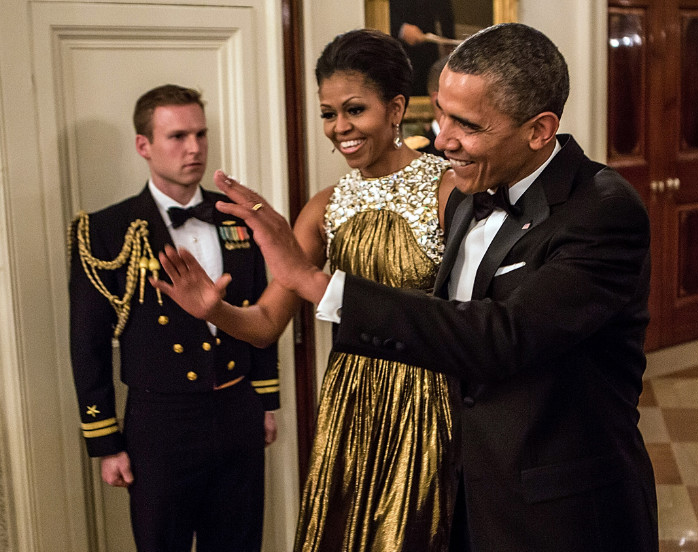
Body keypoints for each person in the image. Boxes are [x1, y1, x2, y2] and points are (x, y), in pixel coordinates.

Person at [161, 22, 660, 552]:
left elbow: (502, 335)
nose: (442, 139)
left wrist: (314, 282)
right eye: (442, 112)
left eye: (465, 123)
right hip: (463, 473)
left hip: (556, 505)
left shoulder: (602, 210)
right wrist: (217, 309)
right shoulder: (477, 186)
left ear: (539, 130)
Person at [154, 30, 457, 551]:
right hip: (351, 404)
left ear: (396, 108)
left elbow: (472, 317)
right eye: (327, 113)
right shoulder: (323, 206)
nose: (339, 128)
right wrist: (214, 310)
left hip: (432, 399)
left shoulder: (451, 190)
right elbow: (267, 322)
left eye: (354, 109)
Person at [67, 84, 280, 551]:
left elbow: (261, 309)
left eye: (201, 135)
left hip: (236, 408)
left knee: (240, 542)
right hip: (161, 423)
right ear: (143, 145)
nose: (195, 148)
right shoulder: (104, 231)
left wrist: (264, 399)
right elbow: (88, 343)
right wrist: (105, 442)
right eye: (178, 136)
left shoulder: (237, 218)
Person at [390, 0, 455, 96]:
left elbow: (444, 9)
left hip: (427, 47)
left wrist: (449, 39)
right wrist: (400, 28)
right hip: (395, 49)